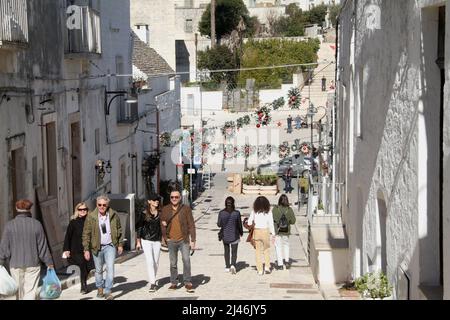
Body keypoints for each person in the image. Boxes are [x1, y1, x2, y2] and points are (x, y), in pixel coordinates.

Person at [0, 199, 54, 300]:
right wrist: (49, 263)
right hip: (33, 264)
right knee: (30, 292)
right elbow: (42, 247)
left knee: (18, 292)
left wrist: (1, 261)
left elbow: (4, 247)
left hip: (15, 264)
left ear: (16, 209)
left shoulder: (9, 225)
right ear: (30, 209)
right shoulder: (37, 224)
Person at [82, 195, 123, 300]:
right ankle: (100, 288)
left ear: (107, 205)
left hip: (110, 246)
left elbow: (119, 230)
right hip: (97, 247)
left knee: (110, 269)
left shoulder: (114, 215)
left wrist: (120, 244)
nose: (102, 207)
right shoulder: (91, 217)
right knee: (99, 270)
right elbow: (86, 234)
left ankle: (108, 291)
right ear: (97, 204)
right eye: (99, 204)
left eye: (104, 205)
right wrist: (86, 249)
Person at [160, 187, 196, 293]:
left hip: (183, 239)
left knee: (186, 260)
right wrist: (165, 237)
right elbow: (162, 224)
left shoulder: (186, 209)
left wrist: (193, 240)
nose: (174, 199)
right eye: (172, 197)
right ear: (170, 198)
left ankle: (187, 282)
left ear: (180, 198)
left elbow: (191, 225)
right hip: (171, 240)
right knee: (173, 263)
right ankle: (174, 282)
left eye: (176, 197)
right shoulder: (165, 209)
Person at [63, 202, 95, 294]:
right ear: (77, 211)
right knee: (82, 265)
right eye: (80, 209)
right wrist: (66, 249)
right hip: (76, 249)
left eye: (84, 209)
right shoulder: (73, 222)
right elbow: (67, 236)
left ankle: (84, 281)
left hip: (88, 249)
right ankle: (83, 285)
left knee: (89, 267)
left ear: (87, 210)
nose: (83, 211)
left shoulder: (91, 221)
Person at [136, 194, 162, 293]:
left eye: (158, 200)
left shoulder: (160, 212)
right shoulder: (143, 213)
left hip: (157, 240)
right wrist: (138, 242)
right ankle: (152, 283)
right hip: (146, 239)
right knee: (150, 261)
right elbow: (139, 227)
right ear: (149, 201)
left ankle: (153, 278)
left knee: (156, 262)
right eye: (154, 200)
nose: (157, 201)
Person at [247, 196, 275, 275]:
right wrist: (273, 234)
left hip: (257, 231)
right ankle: (267, 266)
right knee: (266, 250)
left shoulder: (254, 211)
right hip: (266, 231)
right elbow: (271, 224)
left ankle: (259, 269)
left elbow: (249, 222)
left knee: (258, 251)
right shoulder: (269, 212)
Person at [217, 197, 243, 274]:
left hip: (225, 235)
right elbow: (239, 224)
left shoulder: (221, 213)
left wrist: (224, 222)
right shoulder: (236, 213)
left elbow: (219, 224)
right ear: (233, 203)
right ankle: (233, 265)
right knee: (234, 252)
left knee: (226, 251)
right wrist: (241, 232)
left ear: (225, 203)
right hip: (234, 235)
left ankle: (227, 266)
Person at [272, 195, 296, 270]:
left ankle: (280, 264)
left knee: (278, 247)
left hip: (277, 231)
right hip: (286, 231)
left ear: (279, 200)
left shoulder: (275, 209)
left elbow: (272, 219)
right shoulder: (289, 210)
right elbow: (293, 221)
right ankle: (287, 261)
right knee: (286, 245)